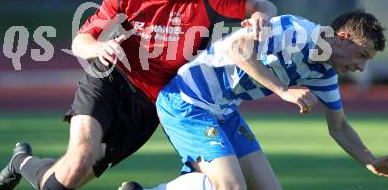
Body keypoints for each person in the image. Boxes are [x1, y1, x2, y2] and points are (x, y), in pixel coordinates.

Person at [0, 0, 277, 190]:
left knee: (68, 178)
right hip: (111, 82)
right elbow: (81, 41)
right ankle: (26, 163)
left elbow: (263, 6)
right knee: (79, 159)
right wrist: (100, 46)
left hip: (151, 106)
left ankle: (22, 162)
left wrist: (261, 18)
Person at [120, 10, 388, 190]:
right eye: (361, 55)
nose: (361, 68)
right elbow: (237, 49)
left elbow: (338, 126)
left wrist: (370, 161)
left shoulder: (324, 72)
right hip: (188, 99)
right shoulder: (295, 31)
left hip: (223, 112)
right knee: (231, 186)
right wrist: (283, 90)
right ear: (342, 38)